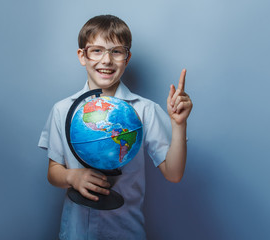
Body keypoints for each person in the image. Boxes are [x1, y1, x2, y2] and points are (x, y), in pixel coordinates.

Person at [38, 14, 193, 240]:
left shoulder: (145, 110)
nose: (106, 60)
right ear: (82, 56)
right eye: (97, 50)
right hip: (76, 232)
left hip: (125, 231)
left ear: (127, 58)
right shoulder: (63, 110)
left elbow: (174, 173)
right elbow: (54, 173)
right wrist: (73, 177)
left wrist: (179, 125)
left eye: (116, 51)